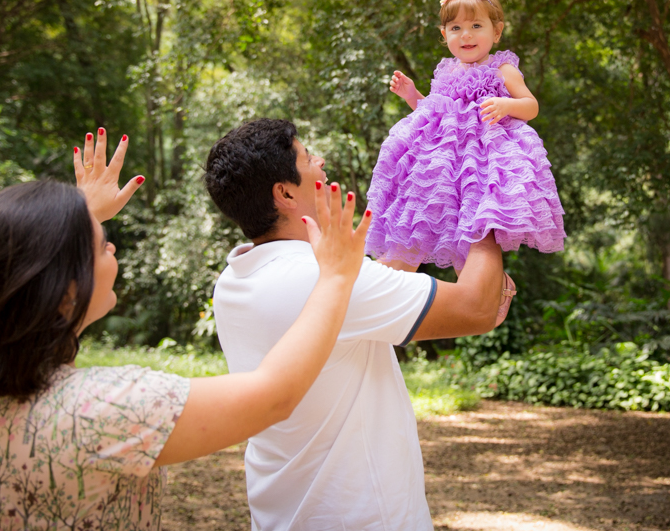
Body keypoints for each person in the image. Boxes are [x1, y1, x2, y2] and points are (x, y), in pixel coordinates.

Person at [0, 128, 370, 531]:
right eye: (98, 245)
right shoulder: (102, 410)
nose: (110, 244)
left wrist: (75, 218)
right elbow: (275, 396)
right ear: (63, 294)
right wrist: (334, 277)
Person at [205, 118, 509, 530]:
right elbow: (475, 307)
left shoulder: (235, 278)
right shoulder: (320, 279)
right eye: (308, 157)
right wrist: (485, 192)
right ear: (285, 193)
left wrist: (427, 193)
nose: (320, 161)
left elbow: (377, 283)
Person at [367, 0, 566, 305]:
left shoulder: (502, 69)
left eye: (476, 25)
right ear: (444, 35)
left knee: (474, 229)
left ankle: (492, 292)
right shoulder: (446, 72)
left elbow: (531, 106)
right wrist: (411, 94)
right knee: (426, 220)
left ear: (496, 31)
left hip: (482, 163)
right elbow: (432, 112)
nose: (467, 35)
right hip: (444, 165)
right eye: (456, 28)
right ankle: (390, 289)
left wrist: (506, 105)